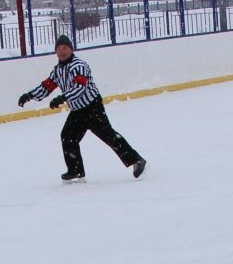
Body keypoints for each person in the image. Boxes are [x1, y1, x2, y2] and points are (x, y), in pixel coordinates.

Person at [16, 35, 146, 183]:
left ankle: (137, 160)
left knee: (109, 136)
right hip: (78, 110)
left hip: (92, 107)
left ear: (71, 49)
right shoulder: (58, 70)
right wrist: (29, 96)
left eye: (64, 48)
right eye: (58, 49)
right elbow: (47, 86)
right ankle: (76, 170)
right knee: (67, 136)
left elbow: (80, 87)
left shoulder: (79, 65)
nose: (61, 51)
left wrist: (63, 98)